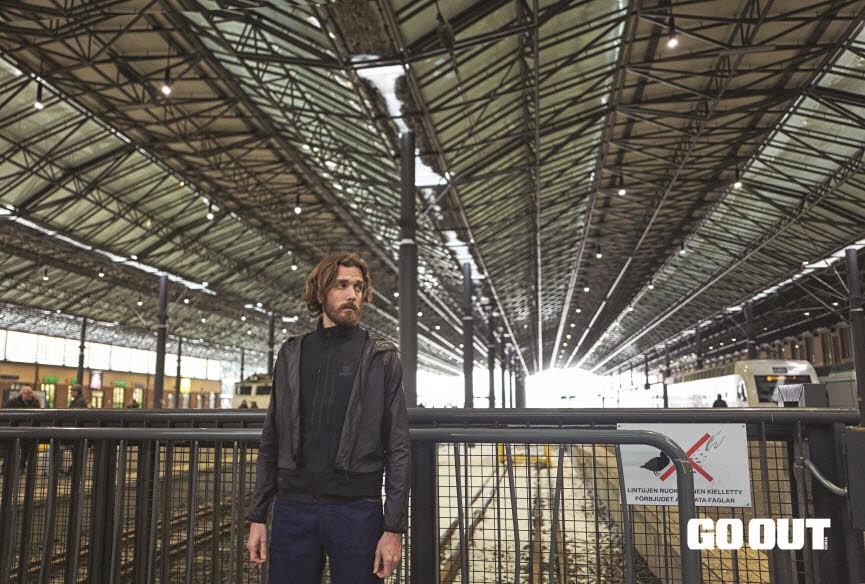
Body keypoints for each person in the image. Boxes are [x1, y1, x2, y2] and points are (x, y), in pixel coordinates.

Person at [247, 253, 410, 584]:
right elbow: (271, 437)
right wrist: (258, 515)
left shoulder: (381, 356)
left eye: (358, 287)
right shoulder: (292, 353)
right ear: (320, 293)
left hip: (357, 510)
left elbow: (398, 445)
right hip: (293, 509)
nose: (352, 295)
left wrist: (393, 528)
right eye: (341, 285)